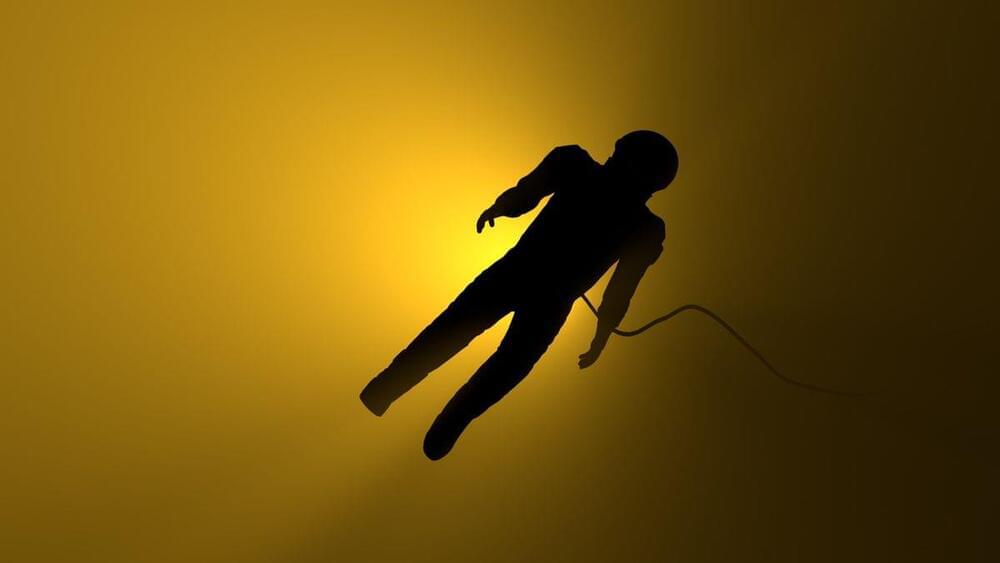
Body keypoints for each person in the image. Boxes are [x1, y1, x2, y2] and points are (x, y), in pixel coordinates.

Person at [360, 130, 679, 459]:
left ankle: (444, 416)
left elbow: (621, 288)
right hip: (524, 275)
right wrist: (502, 207)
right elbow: (530, 193)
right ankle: (392, 389)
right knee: (463, 335)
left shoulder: (639, 223)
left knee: (501, 361)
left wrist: (603, 333)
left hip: (542, 292)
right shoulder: (580, 170)